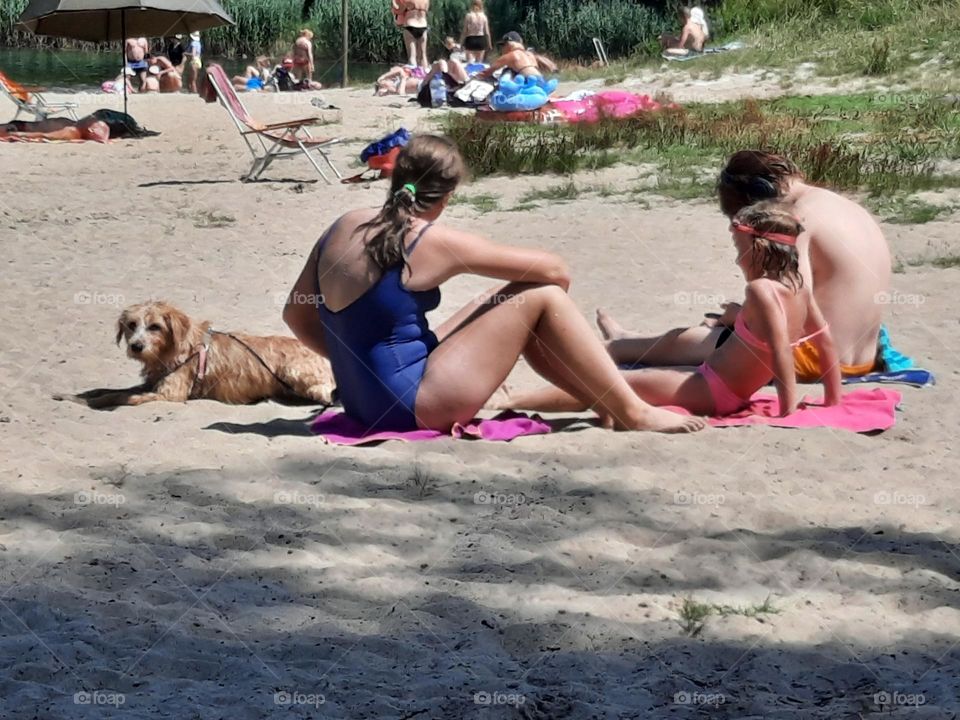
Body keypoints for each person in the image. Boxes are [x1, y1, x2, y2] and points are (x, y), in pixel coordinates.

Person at [283, 135, 705, 434]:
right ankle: (633, 411)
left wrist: (353, 362)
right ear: (447, 196)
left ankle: (605, 402)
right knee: (540, 296)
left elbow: (296, 314)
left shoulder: (342, 225)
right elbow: (556, 272)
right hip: (412, 406)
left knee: (499, 299)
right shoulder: (430, 240)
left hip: (364, 401)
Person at [499, 201, 843, 418]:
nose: (736, 257)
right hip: (723, 384)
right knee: (643, 373)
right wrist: (832, 398)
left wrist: (787, 408)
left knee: (614, 383)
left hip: (714, 389)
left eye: (739, 248)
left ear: (758, 249)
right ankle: (526, 392)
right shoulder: (799, 288)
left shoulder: (760, 289)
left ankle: (512, 401)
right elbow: (825, 342)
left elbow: (782, 350)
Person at [601, 150, 892, 381]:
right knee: (720, 332)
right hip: (865, 356)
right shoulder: (844, 206)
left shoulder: (799, 218)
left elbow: (790, 307)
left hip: (819, 361)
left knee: (701, 339)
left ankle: (615, 347)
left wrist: (738, 315)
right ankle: (628, 338)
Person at [476, 32, 557, 80]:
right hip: (540, 80)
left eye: (503, 45)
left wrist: (472, 78)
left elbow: (486, 73)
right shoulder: (530, 54)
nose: (502, 49)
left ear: (508, 43)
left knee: (506, 74)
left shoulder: (511, 55)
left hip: (528, 82)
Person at [1, 116, 110, 143]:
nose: (91, 118)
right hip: (23, 126)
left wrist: (18, 134)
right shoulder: (72, 127)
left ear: (90, 130)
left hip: (21, 128)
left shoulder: (71, 131)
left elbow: (45, 136)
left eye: (95, 124)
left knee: (11, 127)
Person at [393, 0, 430, 69]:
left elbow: (399, 11)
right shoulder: (426, 1)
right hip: (423, 26)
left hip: (410, 26)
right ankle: (425, 74)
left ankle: (413, 75)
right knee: (423, 55)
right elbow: (426, 11)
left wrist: (394, 4)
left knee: (412, 56)